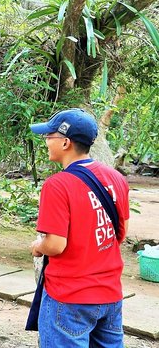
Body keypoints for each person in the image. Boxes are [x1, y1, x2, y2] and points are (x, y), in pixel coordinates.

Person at [29, 108, 130, 347]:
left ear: (65, 142)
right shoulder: (116, 178)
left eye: (49, 136)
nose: (45, 142)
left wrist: (37, 246)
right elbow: (120, 234)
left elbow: (55, 245)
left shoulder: (58, 185)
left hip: (69, 298)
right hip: (110, 295)